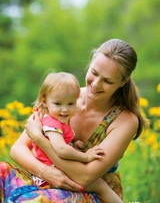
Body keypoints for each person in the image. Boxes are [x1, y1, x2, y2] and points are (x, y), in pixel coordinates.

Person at [0, 39, 146, 203]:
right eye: (95, 73)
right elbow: (18, 149)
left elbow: (84, 178)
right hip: (45, 179)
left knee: (35, 201)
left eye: (107, 81)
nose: (96, 84)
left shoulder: (124, 120)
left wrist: (40, 140)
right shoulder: (65, 96)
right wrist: (45, 172)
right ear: (90, 63)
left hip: (90, 193)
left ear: (123, 82)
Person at [28, 71, 116, 202]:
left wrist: (73, 145)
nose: (65, 110)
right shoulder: (51, 123)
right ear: (45, 102)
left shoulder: (58, 120)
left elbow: (56, 144)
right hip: (52, 173)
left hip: (58, 166)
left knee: (97, 184)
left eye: (70, 104)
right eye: (58, 104)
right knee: (99, 185)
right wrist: (86, 156)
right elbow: (60, 150)